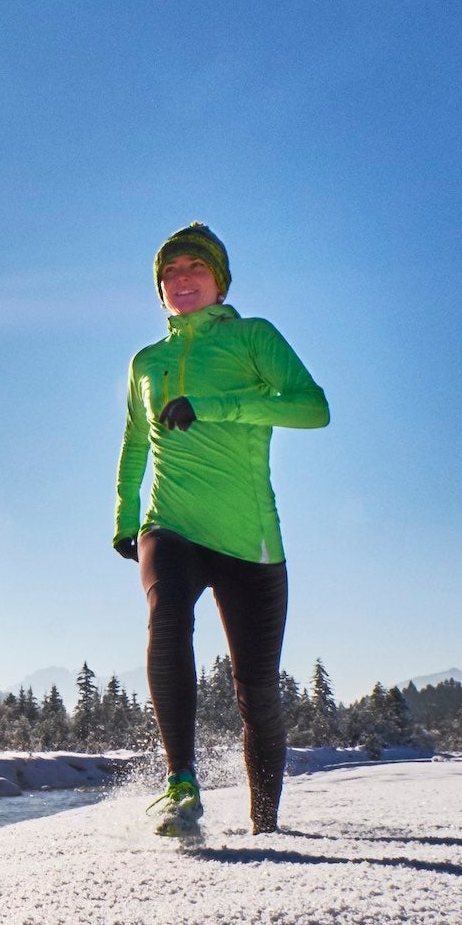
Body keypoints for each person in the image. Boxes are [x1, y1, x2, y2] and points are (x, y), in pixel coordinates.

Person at [113, 222, 329, 835]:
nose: (182, 280)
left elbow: (313, 407)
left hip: (249, 539)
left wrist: (217, 407)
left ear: (219, 281)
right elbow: (135, 444)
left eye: (195, 269)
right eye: (170, 273)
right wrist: (127, 520)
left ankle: (267, 825)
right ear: (160, 290)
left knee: (256, 689)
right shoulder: (146, 363)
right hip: (170, 523)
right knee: (167, 617)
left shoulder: (253, 338)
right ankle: (180, 780)